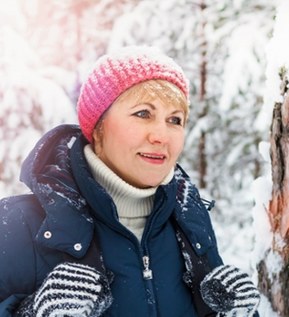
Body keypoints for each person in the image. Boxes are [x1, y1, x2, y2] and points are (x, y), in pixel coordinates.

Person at [0, 45, 260, 317]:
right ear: (98, 127)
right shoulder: (17, 222)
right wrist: (30, 312)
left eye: (175, 120)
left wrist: (234, 312)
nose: (162, 136)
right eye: (143, 114)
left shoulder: (189, 220)